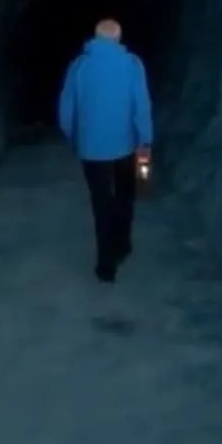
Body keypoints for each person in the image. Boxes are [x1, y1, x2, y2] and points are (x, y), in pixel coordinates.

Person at [56, 18, 154, 283]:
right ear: (118, 38)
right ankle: (123, 243)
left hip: (91, 148)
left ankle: (105, 264)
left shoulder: (80, 66)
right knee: (126, 195)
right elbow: (141, 104)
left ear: (96, 39)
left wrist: (71, 134)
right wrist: (145, 138)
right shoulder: (132, 65)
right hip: (125, 145)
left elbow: (67, 105)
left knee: (101, 202)